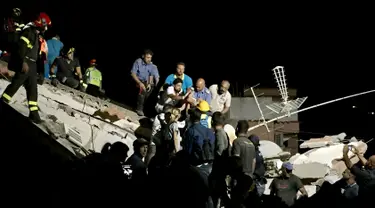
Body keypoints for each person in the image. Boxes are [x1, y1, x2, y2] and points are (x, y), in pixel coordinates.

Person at [1, 12, 52, 123]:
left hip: (32, 66)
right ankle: (3, 100)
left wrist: (41, 72)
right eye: (46, 25)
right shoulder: (29, 31)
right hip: (26, 63)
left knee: (33, 90)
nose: (46, 28)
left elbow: (38, 55)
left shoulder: (37, 35)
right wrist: (23, 62)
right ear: (41, 23)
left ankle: (34, 115)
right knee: (15, 85)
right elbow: (21, 47)